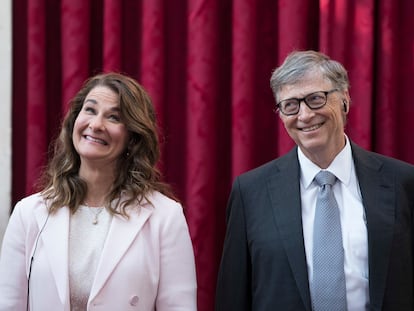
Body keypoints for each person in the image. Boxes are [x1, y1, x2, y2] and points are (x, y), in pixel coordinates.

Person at [215, 50, 414, 310]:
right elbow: (233, 297)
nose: (305, 115)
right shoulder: (250, 192)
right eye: (291, 105)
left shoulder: (402, 182)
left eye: (316, 99)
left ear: (344, 99)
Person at [0, 72, 197, 310]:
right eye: (90, 110)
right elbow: (9, 305)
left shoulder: (165, 216)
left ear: (132, 137)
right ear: (75, 120)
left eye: (113, 117)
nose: (95, 125)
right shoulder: (28, 213)